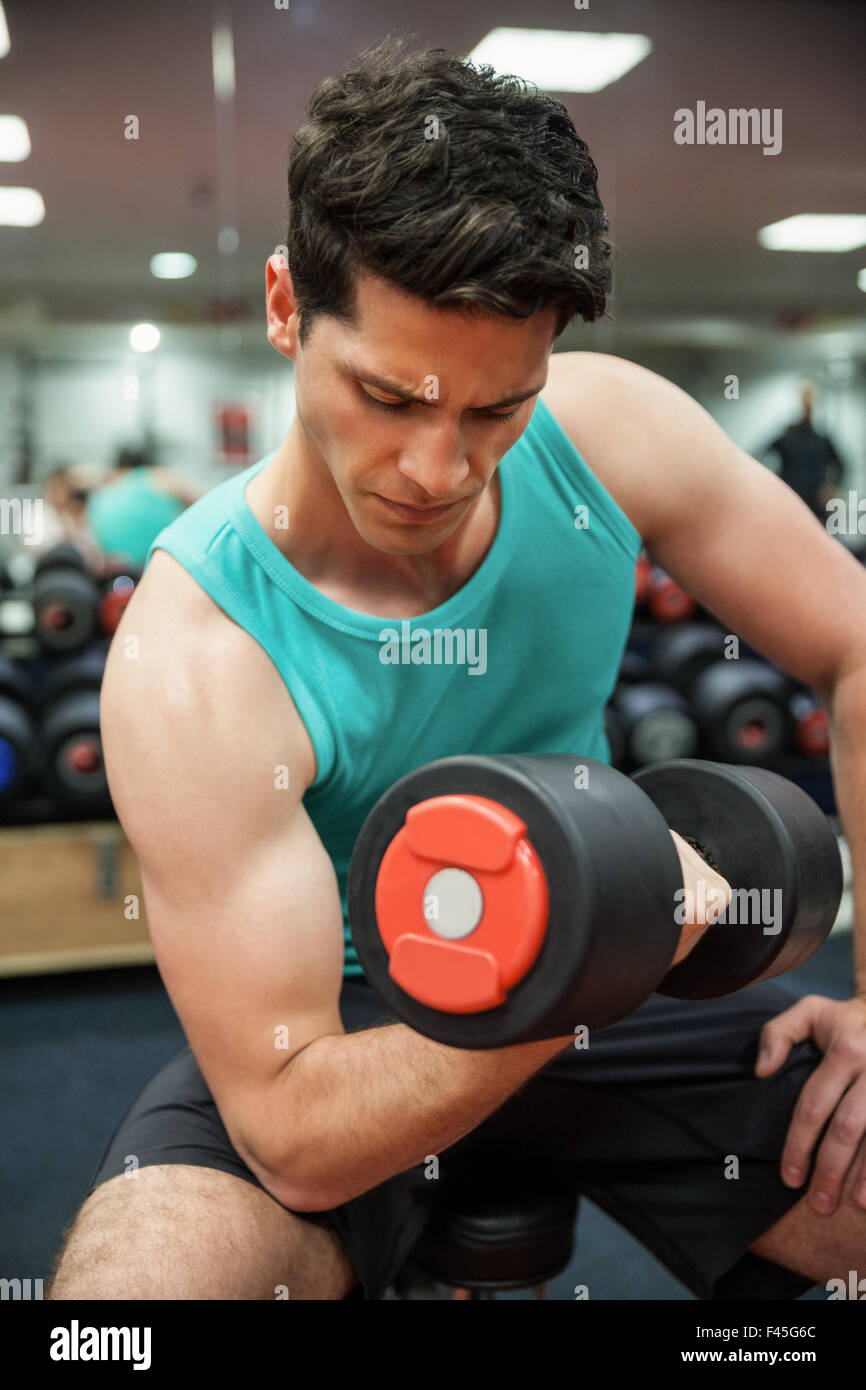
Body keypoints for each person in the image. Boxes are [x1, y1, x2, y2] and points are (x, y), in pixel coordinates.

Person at [49, 37, 866, 1302]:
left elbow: (854, 642)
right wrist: (622, 935)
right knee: (131, 1308)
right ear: (283, 308)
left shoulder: (609, 438)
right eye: (388, 395)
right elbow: (296, 1135)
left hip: (623, 992)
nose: (437, 471)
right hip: (352, 1037)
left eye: (495, 410)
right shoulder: (196, 654)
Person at [84, 447, 203, 570]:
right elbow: (205, 504)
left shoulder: (101, 493)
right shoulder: (160, 477)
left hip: (117, 569)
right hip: (163, 562)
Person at [764, 382, 846, 524]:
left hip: (816, 505)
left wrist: (832, 488)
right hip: (789, 502)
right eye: (804, 396)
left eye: (810, 396)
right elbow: (759, 457)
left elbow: (841, 465)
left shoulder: (821, 440)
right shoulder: (786, 438)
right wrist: (771, 487)